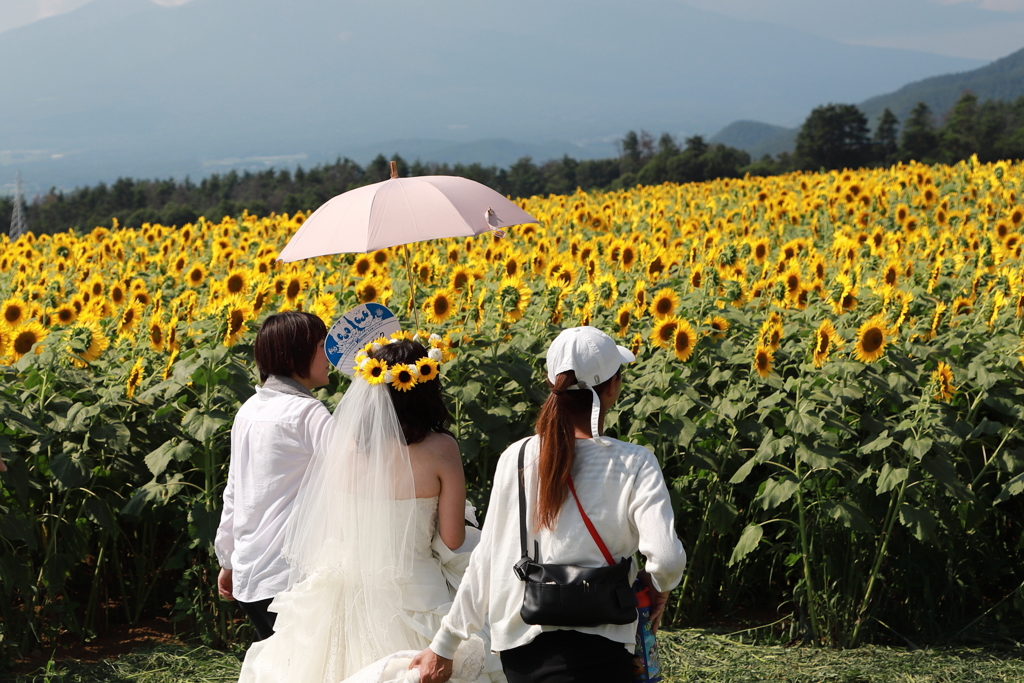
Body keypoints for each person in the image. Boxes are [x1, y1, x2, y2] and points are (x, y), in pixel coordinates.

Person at [411, 326, 688, 683]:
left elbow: (487, 559)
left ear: (550, 384)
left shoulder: (518, 457)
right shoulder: (635, 462)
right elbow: (666, 558)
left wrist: (444, 645)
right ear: (612, 388)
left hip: (523, 643)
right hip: (603, 640)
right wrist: (660, 585)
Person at [237, 337, 502, 683]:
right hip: (415, 588)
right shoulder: (441, 449)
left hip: (345, 585)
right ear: (425, 387)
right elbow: (452, 539)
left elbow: (338, 524)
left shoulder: (343, 445)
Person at [215, 310, 334, 642]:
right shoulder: (308, 413)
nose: (329, 356)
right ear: (296, 354)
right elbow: (359, 474)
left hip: (252, 575)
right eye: (322, 346)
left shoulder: (249, 409)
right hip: (291, 576)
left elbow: (234, 493)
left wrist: (228, 560)